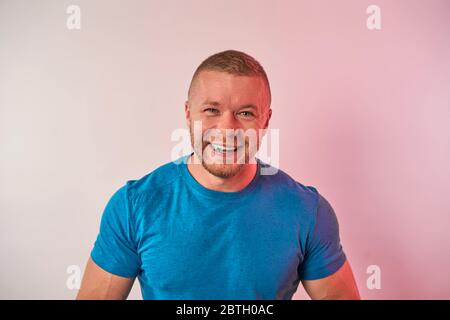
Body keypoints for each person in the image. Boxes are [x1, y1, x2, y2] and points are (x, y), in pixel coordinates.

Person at [77, 50, 360, 300]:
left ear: (266, 120)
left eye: (246, 113)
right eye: (212, 110)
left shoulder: (308, 212)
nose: (227, 129)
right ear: (188, 114)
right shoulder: (134, 206)